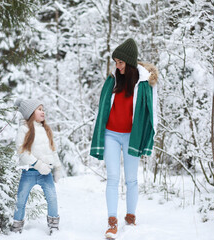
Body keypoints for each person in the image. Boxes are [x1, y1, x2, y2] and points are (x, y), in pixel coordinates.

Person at [90, 38, 158, 239]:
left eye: (120, 62)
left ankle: (131, 217)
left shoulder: (145, 84)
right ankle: (112, 221)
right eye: (116, 62)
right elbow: (102, 108)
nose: (117, 66)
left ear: (129, 63)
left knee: (132, 180)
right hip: (111, 134)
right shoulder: (112, 80)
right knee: (112, 178)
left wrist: (150, 135)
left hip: (132, 136)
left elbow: (154, 112)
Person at [11, 98, 62, 235]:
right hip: (29, 172)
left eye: (43, 109)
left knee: (52, 198)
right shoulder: (24, 129)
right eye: (39, 109)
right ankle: (17, 226)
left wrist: (57, 168)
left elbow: (53, 150)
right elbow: (22, 151)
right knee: (21, 199)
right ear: (30, 113)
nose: (43, 112)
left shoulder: (46, 130)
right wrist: (38, 164)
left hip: (46, 174)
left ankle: (54, 225)